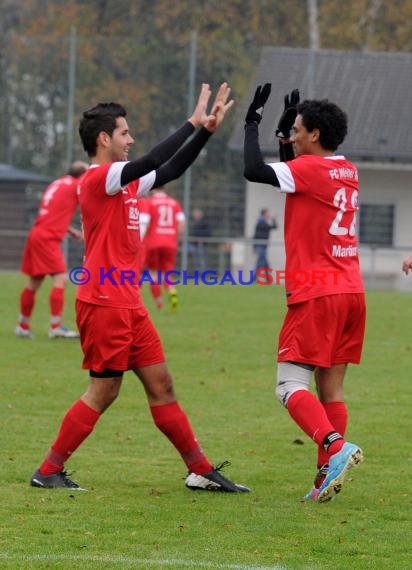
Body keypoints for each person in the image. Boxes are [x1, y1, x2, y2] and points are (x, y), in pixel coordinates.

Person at [30, 82, 250, 494]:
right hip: (104, 302)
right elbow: (153, 158)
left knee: (161, 384)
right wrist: (191, 122)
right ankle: (48, 469)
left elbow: (169, 170)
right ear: (103, 139)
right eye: (125, 133)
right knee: (104, 390)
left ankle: (200, 470)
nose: (131, 140)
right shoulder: (100, 178)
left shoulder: (126, 183)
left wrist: (206, 133)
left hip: (128, 303)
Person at [243, 84, 365, 502]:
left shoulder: (308, 171)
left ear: (313, 134)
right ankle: (323, 478)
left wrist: (252, 123)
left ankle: (334, 446)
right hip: (351, 290)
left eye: (297, 130)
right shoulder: (346, 170)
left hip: (317, 293)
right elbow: (294, 173)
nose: (292, 136)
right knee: (331, 391)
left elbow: (254, 171)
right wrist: (283, 135)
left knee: (289, 386)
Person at [15, 161, 88, 339]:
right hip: (47, 237)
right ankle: (55, 326)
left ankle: (22, 325)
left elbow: (54, 212)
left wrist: (71, 231)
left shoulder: (57, 183)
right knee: (61, 279)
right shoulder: (76, 185)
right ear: (82, 176)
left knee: (34, 282)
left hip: (37, 233)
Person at [139, 186, 185, 311]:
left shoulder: (150, 202)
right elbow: (181, 222)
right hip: (170, 243)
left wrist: (144, 237)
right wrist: (175, 237)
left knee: (153, 273)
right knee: (167, 273)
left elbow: (146, 222)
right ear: (165, 189)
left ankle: (159, 302)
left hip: (153, 242)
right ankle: (172, 290)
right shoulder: (174, 203)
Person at [253, 208, 277, 277]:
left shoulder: (264, 221)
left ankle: (268, 280)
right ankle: (254, 279)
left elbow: (274, 227)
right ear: (264, 214)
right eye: (267, 213)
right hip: (261, 245)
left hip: (263, 245)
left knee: (265, 263)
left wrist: (273, 220)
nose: (269, 214)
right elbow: (256, 235)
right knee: (260, 262)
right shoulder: (261, 222)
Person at [189, 208, 211, 272]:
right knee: (195, 261)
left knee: (202, 261)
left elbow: (208, 232)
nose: (196, 216)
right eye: (195, 214)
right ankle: (197, 275)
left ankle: (203, 275)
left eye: (197, 214)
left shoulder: (205, 222)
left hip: (202, 245)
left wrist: (202, 239)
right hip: (194, 244)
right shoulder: (193, 222)